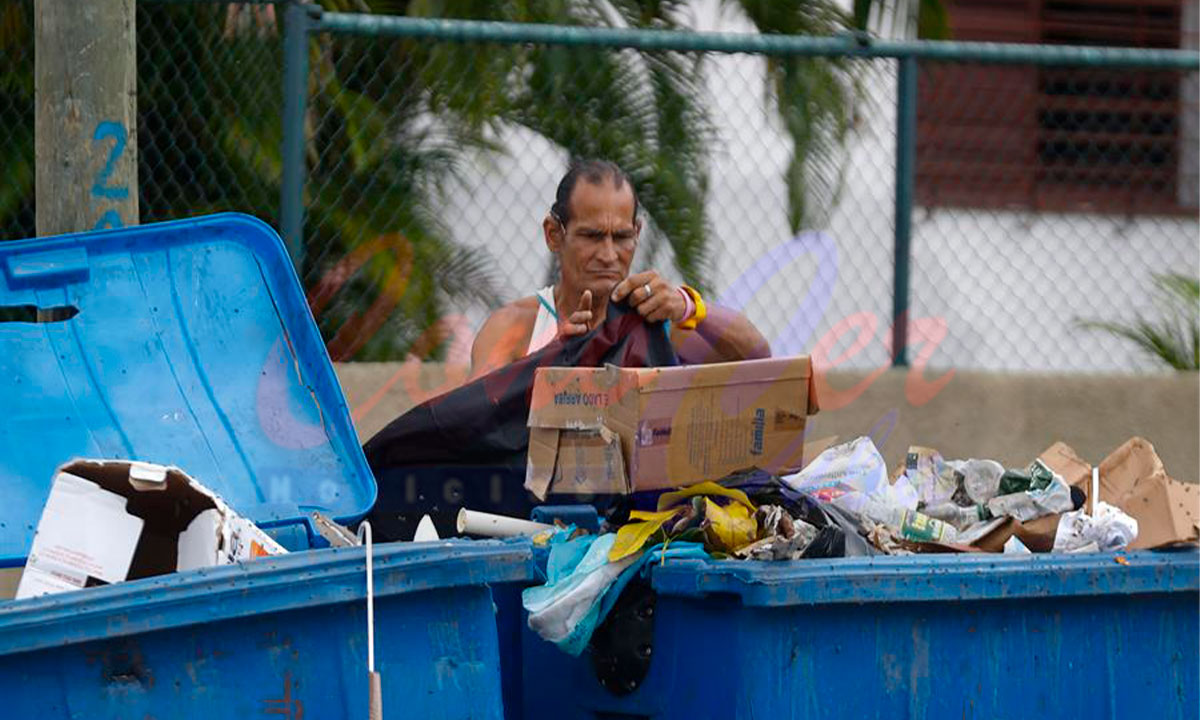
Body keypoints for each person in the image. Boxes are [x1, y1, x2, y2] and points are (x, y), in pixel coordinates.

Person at [469, 159, 770, 379]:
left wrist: (688, 305)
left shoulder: (655, 323)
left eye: (622, 237)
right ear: (553, 234)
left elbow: (757, 357)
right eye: (592, 236)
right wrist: (550, 359)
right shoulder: (516, 328)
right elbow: (472, 420)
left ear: (637, 233)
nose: (609, 255)